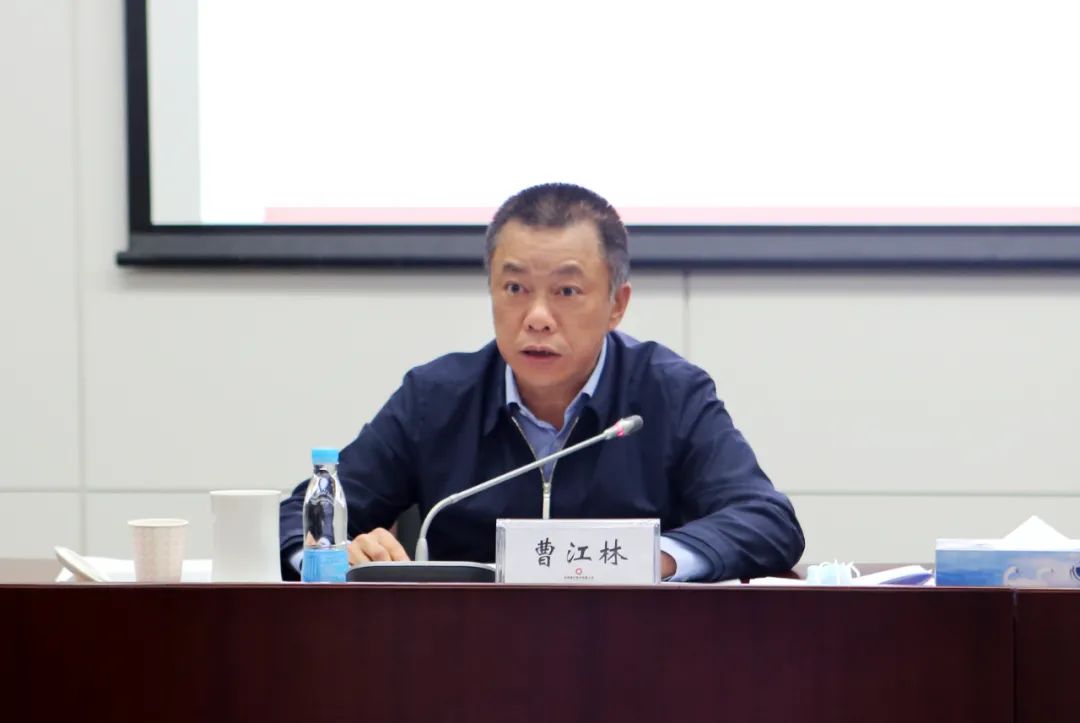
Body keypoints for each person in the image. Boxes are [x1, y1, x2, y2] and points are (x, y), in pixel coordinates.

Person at [279, 183, 804, 581]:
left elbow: (766, 519)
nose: (536, 317)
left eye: (566, 291)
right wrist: (330, 555)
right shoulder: (436, 397)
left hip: (634, 655)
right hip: (466, 657)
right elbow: (293, 521)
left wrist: (651, 560)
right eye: (515, 288)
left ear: (616, 304)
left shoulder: (668, 393)